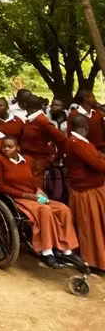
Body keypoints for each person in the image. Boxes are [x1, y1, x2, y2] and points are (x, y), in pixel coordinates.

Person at [0, 136, 81, 269]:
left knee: (63, 209)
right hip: (17, 198)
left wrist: (38, 190)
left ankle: (66, 250)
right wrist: (25, 195)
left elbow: (30, 181)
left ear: (18, 148)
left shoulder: (26, 161)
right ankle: (47, 251)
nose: (6, 149)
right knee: (44, 211)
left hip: (32, 196)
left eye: (10, 147)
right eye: (4, 146)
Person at [65, 115, 105, 271]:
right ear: (86, 128)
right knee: (91, 227)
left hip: (91, 188)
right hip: (87, 191)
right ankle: (94, 260)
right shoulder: (76, 143)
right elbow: (97, 163)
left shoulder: (77, 142)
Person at [20, 95, 67, 189]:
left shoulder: (42, 121)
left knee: (37, 190)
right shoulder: (31, 119)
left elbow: (62, 139)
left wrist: (57, 158)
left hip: (38, 163)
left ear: (25, 104)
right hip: (28, 161)